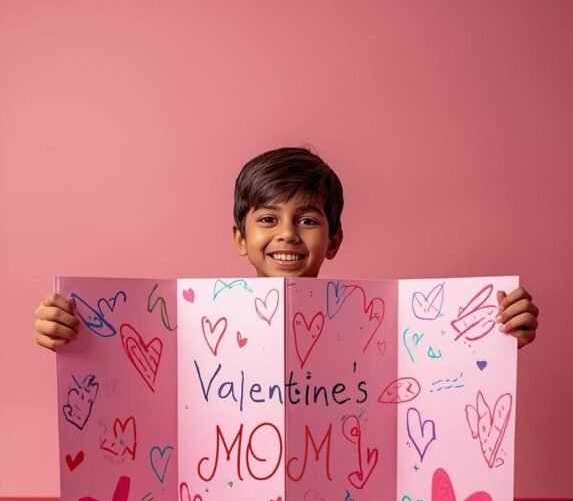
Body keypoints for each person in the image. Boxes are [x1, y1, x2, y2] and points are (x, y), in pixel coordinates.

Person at [33, 146, 539, 350]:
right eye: (269, 219)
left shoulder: (378, 327)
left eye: (309, 220)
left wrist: (497, 336)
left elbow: (436, 369)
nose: (288, 234)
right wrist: (66, 330)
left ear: (334, 240)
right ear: (240, 238)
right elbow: (135, 355)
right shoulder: (193, 323)